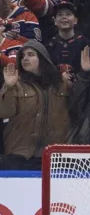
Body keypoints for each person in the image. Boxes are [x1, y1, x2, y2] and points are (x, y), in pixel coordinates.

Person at [0, 40, 71, 169]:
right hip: (19, 155)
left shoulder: (62, 84)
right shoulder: (16, 84)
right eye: (22, 57)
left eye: (30, 55)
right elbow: (4, 113)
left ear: (42, 58)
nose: (25, 59)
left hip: (55, 156)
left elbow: (78, 109)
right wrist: (8, 88)